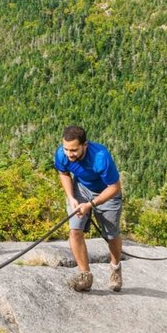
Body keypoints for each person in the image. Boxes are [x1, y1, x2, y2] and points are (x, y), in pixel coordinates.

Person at [54, 125, 123, 292]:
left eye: (74, 150)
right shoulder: (62, 154)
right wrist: (71, 197)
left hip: (107, 192)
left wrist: (91, 205)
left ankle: (115, 268)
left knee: (112, 235)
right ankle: (85, 276)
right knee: (74, 230)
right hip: (81, 190)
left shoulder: (100, 157)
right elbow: (63, 173)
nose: (69, 154)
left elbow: (115, 187)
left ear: (85, 145)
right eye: (66, 149)